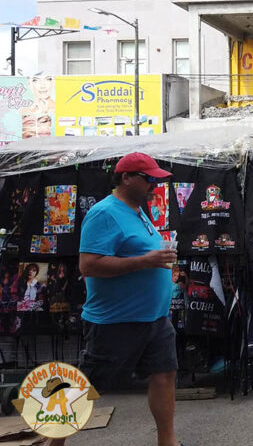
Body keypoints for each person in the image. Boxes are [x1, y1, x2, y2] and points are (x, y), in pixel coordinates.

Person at [75, 152, 180, 446]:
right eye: (149, 179)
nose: (154, 186)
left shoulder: (138, 210)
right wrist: (146, 262)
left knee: (164, 374)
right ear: (126, 178)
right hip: (116, 321)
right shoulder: (104, 213)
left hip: (154, 319)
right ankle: (54, 441)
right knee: (85, 387)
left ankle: (167, 442)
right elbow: (89, 265)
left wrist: (156, 259)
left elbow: (139, 252)